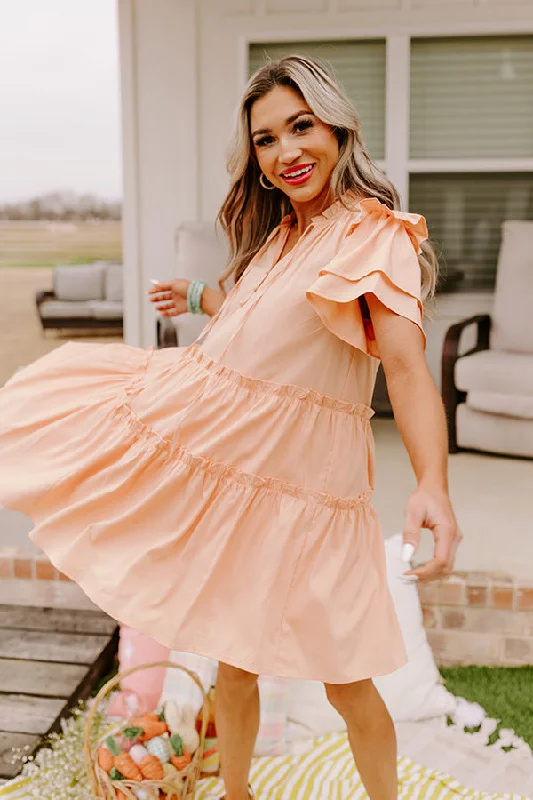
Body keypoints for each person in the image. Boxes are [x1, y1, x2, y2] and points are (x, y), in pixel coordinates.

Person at [0, 56, 462, 800]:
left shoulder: (376, 237)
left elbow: (405, 370)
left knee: (348, 684)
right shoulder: (280, 236)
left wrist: (432, 485)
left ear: (338, 127)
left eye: (301, 126)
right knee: (232, 658)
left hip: (311, 487)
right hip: (234, 465)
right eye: (266, 139)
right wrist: (196, 295)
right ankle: (237, 793)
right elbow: (260, 323)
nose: (286, 151)